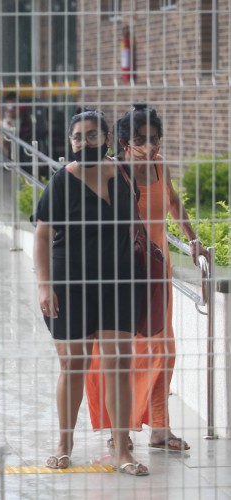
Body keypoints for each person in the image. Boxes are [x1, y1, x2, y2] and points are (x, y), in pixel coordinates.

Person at [86, 104, 209, 452]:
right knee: (119, 352)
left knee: (163, 351)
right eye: (141, 140)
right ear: (124, 141)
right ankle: (118, 428)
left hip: (158, 272)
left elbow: (172, 202)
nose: (150, 146)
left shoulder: (159, 166)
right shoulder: (113, 173)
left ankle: (160, 428)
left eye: (154, 139)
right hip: (121, 274)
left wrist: (192, 238)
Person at [34, 110, 148, 476]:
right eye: (77, 137)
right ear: (70, 143)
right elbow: (41, 234)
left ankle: (122, 450)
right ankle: (64, 443)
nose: (84, 142)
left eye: (91, 135)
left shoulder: (125, 173)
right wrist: (44, 284)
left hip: (120, 282)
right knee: (74, 365)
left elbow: (135, 220)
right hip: (71, 284)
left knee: (118, 365)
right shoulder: (62, 181)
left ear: (107, 138)